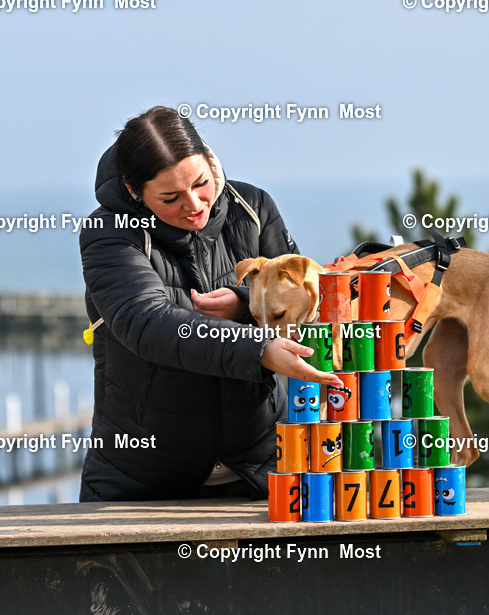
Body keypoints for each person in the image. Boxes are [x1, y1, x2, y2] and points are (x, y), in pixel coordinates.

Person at [78, 106, 339, 502]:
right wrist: (260, 348)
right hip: (140, 480)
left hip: (264, 466)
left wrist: (244, 302)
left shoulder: (253, 207)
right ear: (135, 192)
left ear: (210, 161)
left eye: (201, 183)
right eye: (170, 197)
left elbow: (299, 294)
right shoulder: (109, 234)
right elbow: (146, 323)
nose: (194, 204)